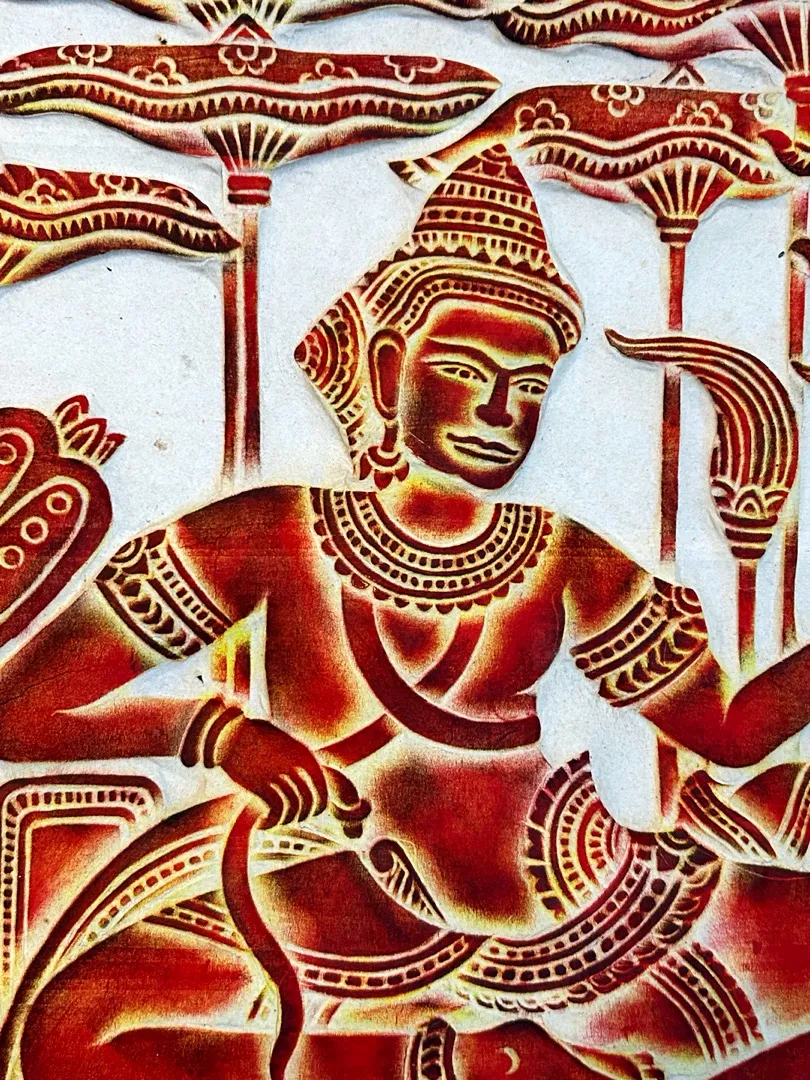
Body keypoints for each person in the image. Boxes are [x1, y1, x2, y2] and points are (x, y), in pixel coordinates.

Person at [5, 145, 810, 1080]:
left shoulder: (565, 557)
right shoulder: (266, 535)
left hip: (581, 900)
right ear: (390, 364)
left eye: (532, 386)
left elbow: (730, 731)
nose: (502, 410)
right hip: (348, 904)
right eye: (466, 369)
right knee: (75, 1031)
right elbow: (23, 710)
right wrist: (220, 736)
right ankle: (482, 1061)